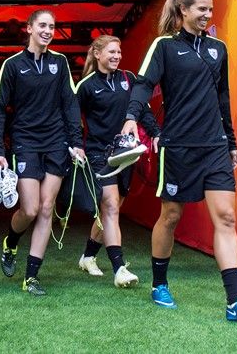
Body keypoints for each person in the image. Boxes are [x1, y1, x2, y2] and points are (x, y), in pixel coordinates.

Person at [121, 0, 237, 324]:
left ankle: (236, 301)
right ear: (184, 11)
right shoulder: (164, 46)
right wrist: (132, 117)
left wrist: (232, 141)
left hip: (215, 146)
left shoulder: (218, 49)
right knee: (171, 216)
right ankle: (159, 284)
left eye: (211, 9)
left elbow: (223, 98)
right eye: (202, 9)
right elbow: (144, 85)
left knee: (226, 218)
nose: (207, 15)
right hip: (178, 146)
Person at [0, 8, 85, 296]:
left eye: (52, 26)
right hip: (25, 142)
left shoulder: (60, 62)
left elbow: (70, 103)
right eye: (42, 25)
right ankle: (11, 242)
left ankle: (31, 277)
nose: (48, 30)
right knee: (29, 209)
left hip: (56, 142)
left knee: (46, 208)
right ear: (29, 28)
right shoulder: (12, 65)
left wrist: (76, 141)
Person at [75, 35, 160, 288]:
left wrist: (155, 132)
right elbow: (71, 119)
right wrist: (76, 147)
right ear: (98, 54)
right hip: (99, 153)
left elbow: (142, 110)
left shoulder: (129, 79)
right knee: (111, 206)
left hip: (126, 152)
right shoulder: (86, 86)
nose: (116, 56)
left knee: (111, 209)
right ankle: (119, 268)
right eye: (111, 52)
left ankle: (88, 257)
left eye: (119, 52)